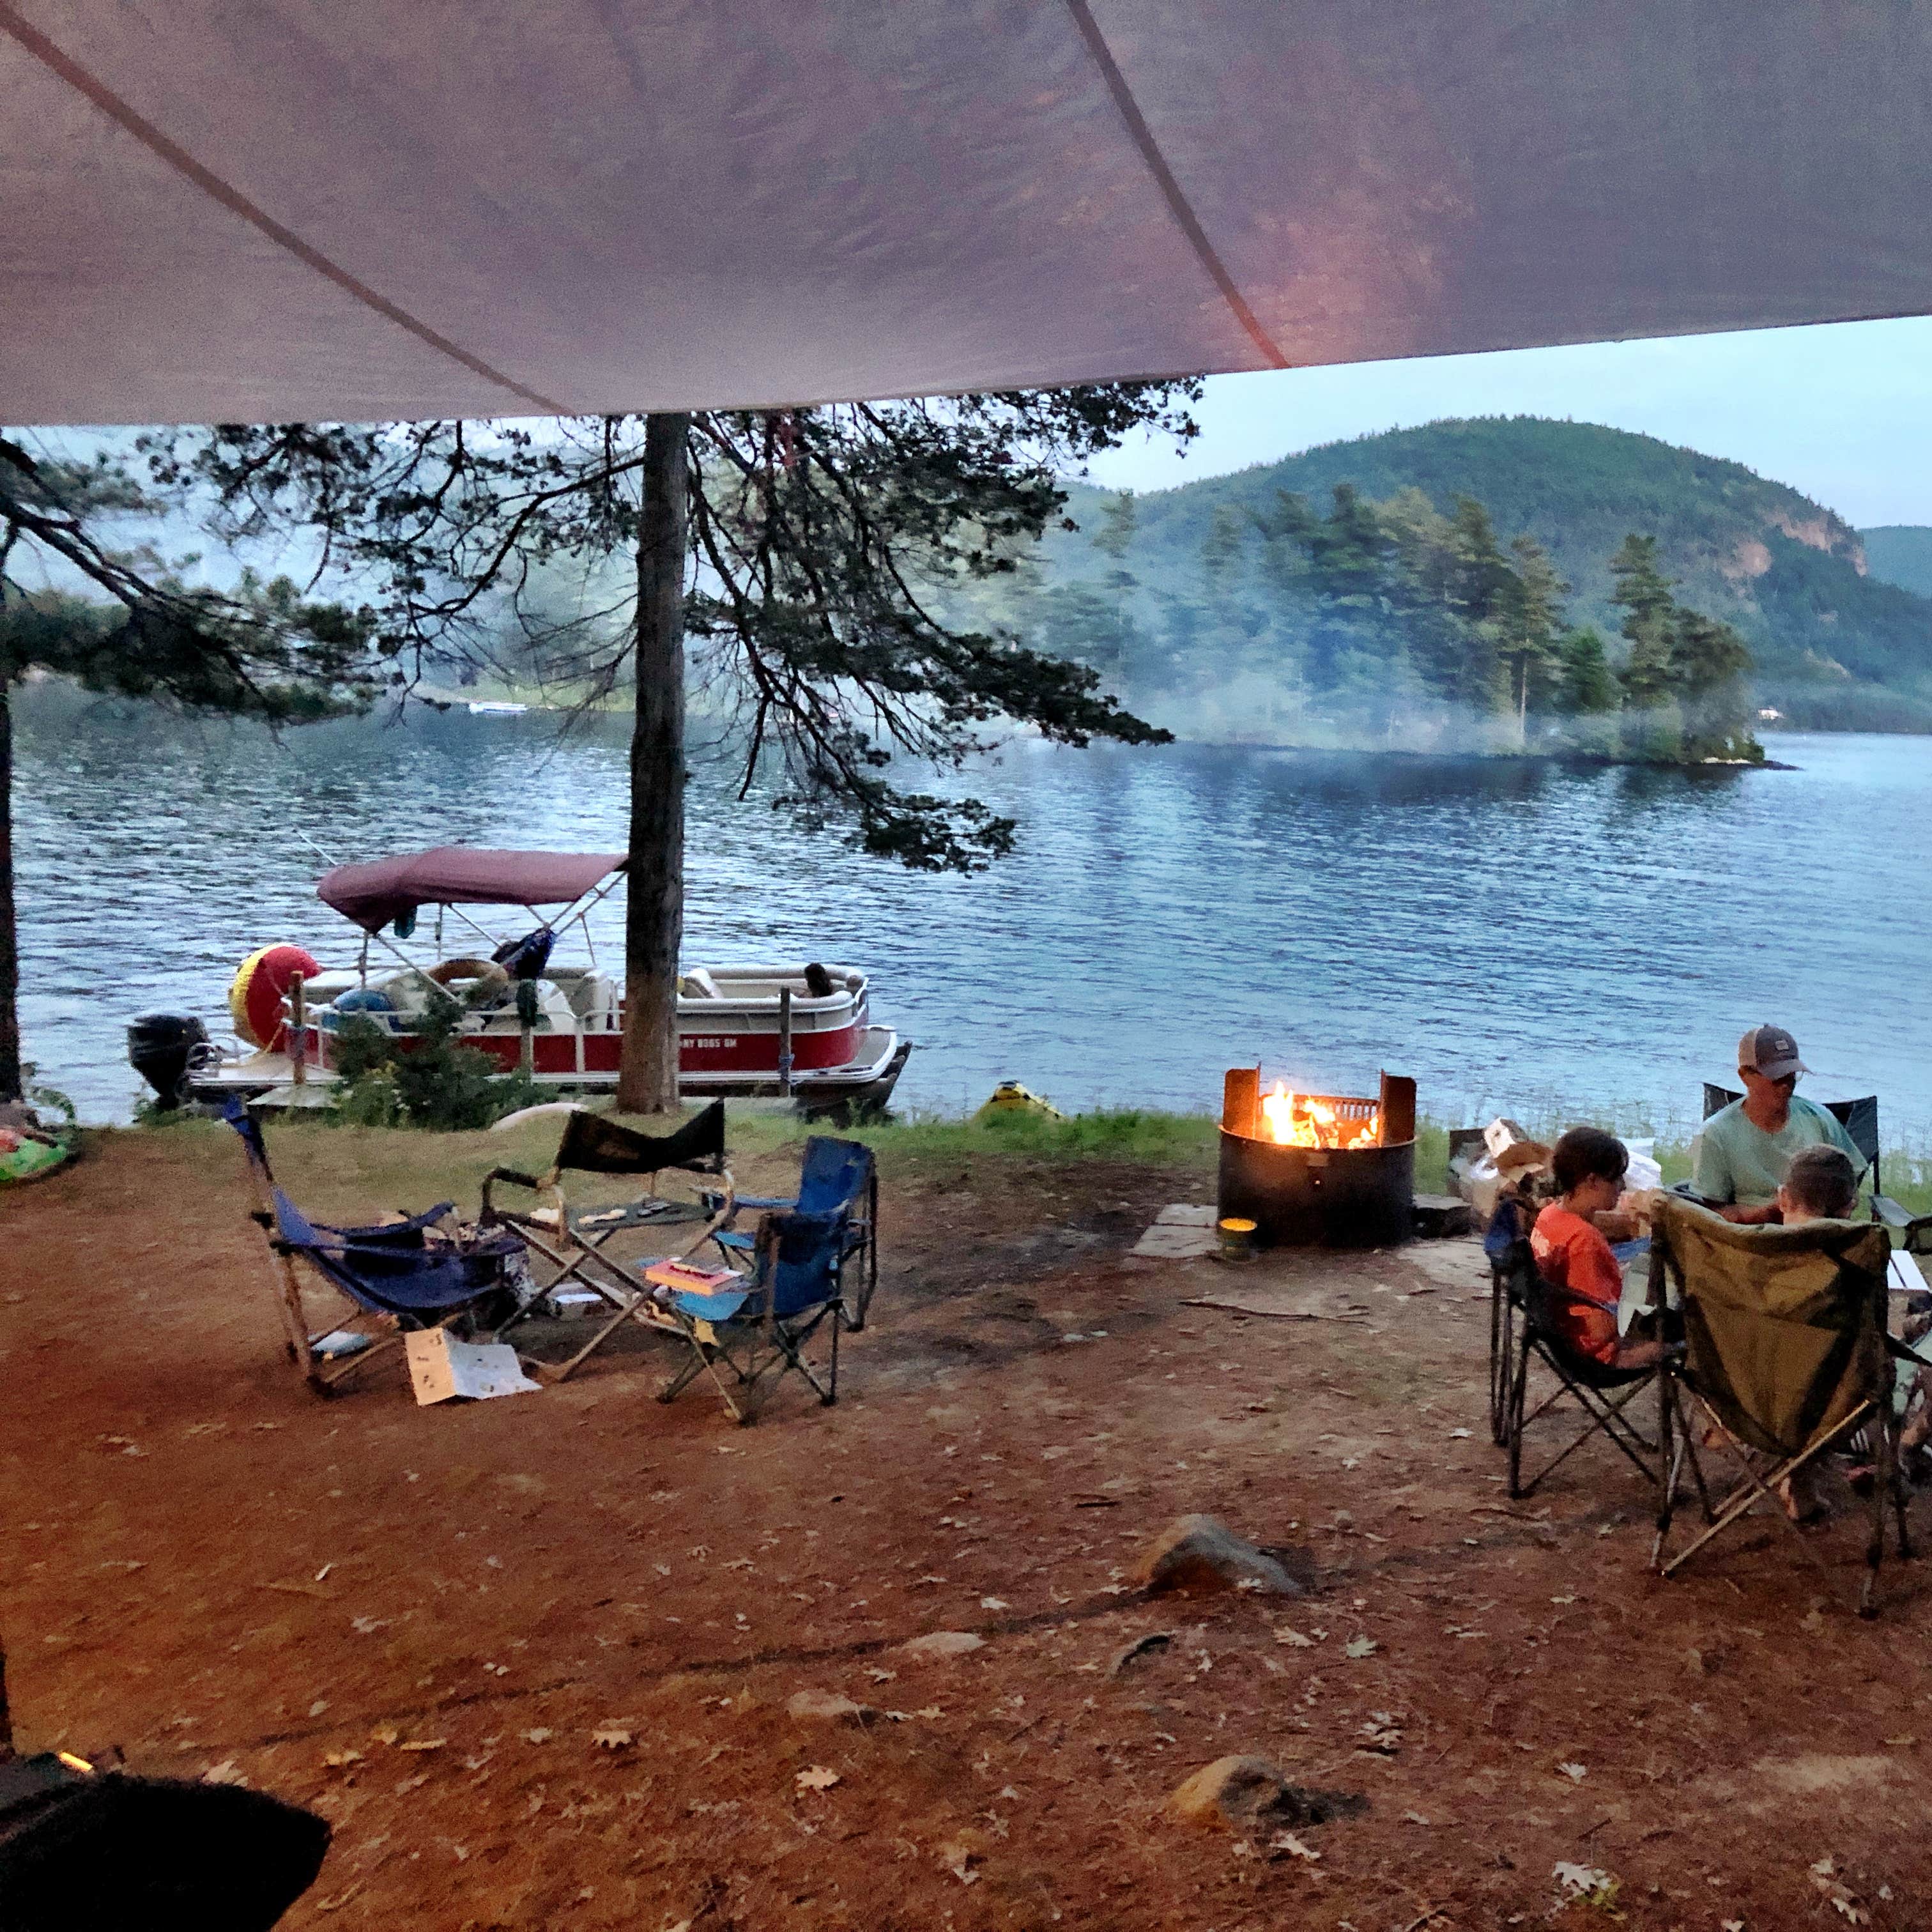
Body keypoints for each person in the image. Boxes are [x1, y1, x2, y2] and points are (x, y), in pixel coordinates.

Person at [1692, 1025, 1864, 1224]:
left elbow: (1851, 1184)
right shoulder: (1716, 1133)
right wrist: (1775, 1211)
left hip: (1820, 1233)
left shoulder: (1820, 1120)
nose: (1786, 1085)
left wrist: (1833, 1207)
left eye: (1792, 1075)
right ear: (1745, 1076)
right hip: (1749, 1239)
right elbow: (1713, 1213)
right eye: (1776, 1076)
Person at [1531, 1126, 1666, 1371]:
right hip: (1597, 1355)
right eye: (1615, 1178)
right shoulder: (1585, 1241)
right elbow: (1603, 1330)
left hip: (1560, 1336)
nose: (1622, 1187)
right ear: (1592, 1181)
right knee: (1677, 1329)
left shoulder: (1549, 1216)